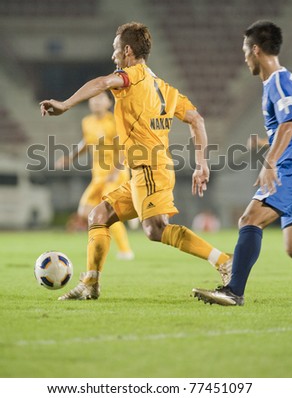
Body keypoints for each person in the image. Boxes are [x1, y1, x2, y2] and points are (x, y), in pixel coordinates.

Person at [40, 21, 232, 301]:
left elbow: (103, 82)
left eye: (115, 48)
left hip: (151, 169)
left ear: (127, 50)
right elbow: (196, 119)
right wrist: (201, 163)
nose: (113, 55)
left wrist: (65, 104)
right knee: (99, 215)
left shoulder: (131, 77)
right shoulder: (165, 88)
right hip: (142, 171)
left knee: (156, 230)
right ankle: (90, 285)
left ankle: (224, 261)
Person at [193, 20, 292, 306]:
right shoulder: (279, 82)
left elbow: (290, 124)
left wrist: (270, 161)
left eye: (244, 50)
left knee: (249, 219)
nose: (243, 57)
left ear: (255, 50)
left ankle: (233, 291)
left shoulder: (279, 79)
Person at [55, 92, 134, 260]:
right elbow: (86, 142)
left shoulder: (115, 121)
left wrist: (115, 172)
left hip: (116, 175)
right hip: (98, 177)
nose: (96, 102)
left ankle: (125, 250)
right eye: (93, 99)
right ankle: (130, 210)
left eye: (100, 99)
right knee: (84, 211)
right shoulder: (87, 122)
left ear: (108, 102)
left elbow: (124, 149)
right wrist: (70, 157)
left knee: (106, 210)